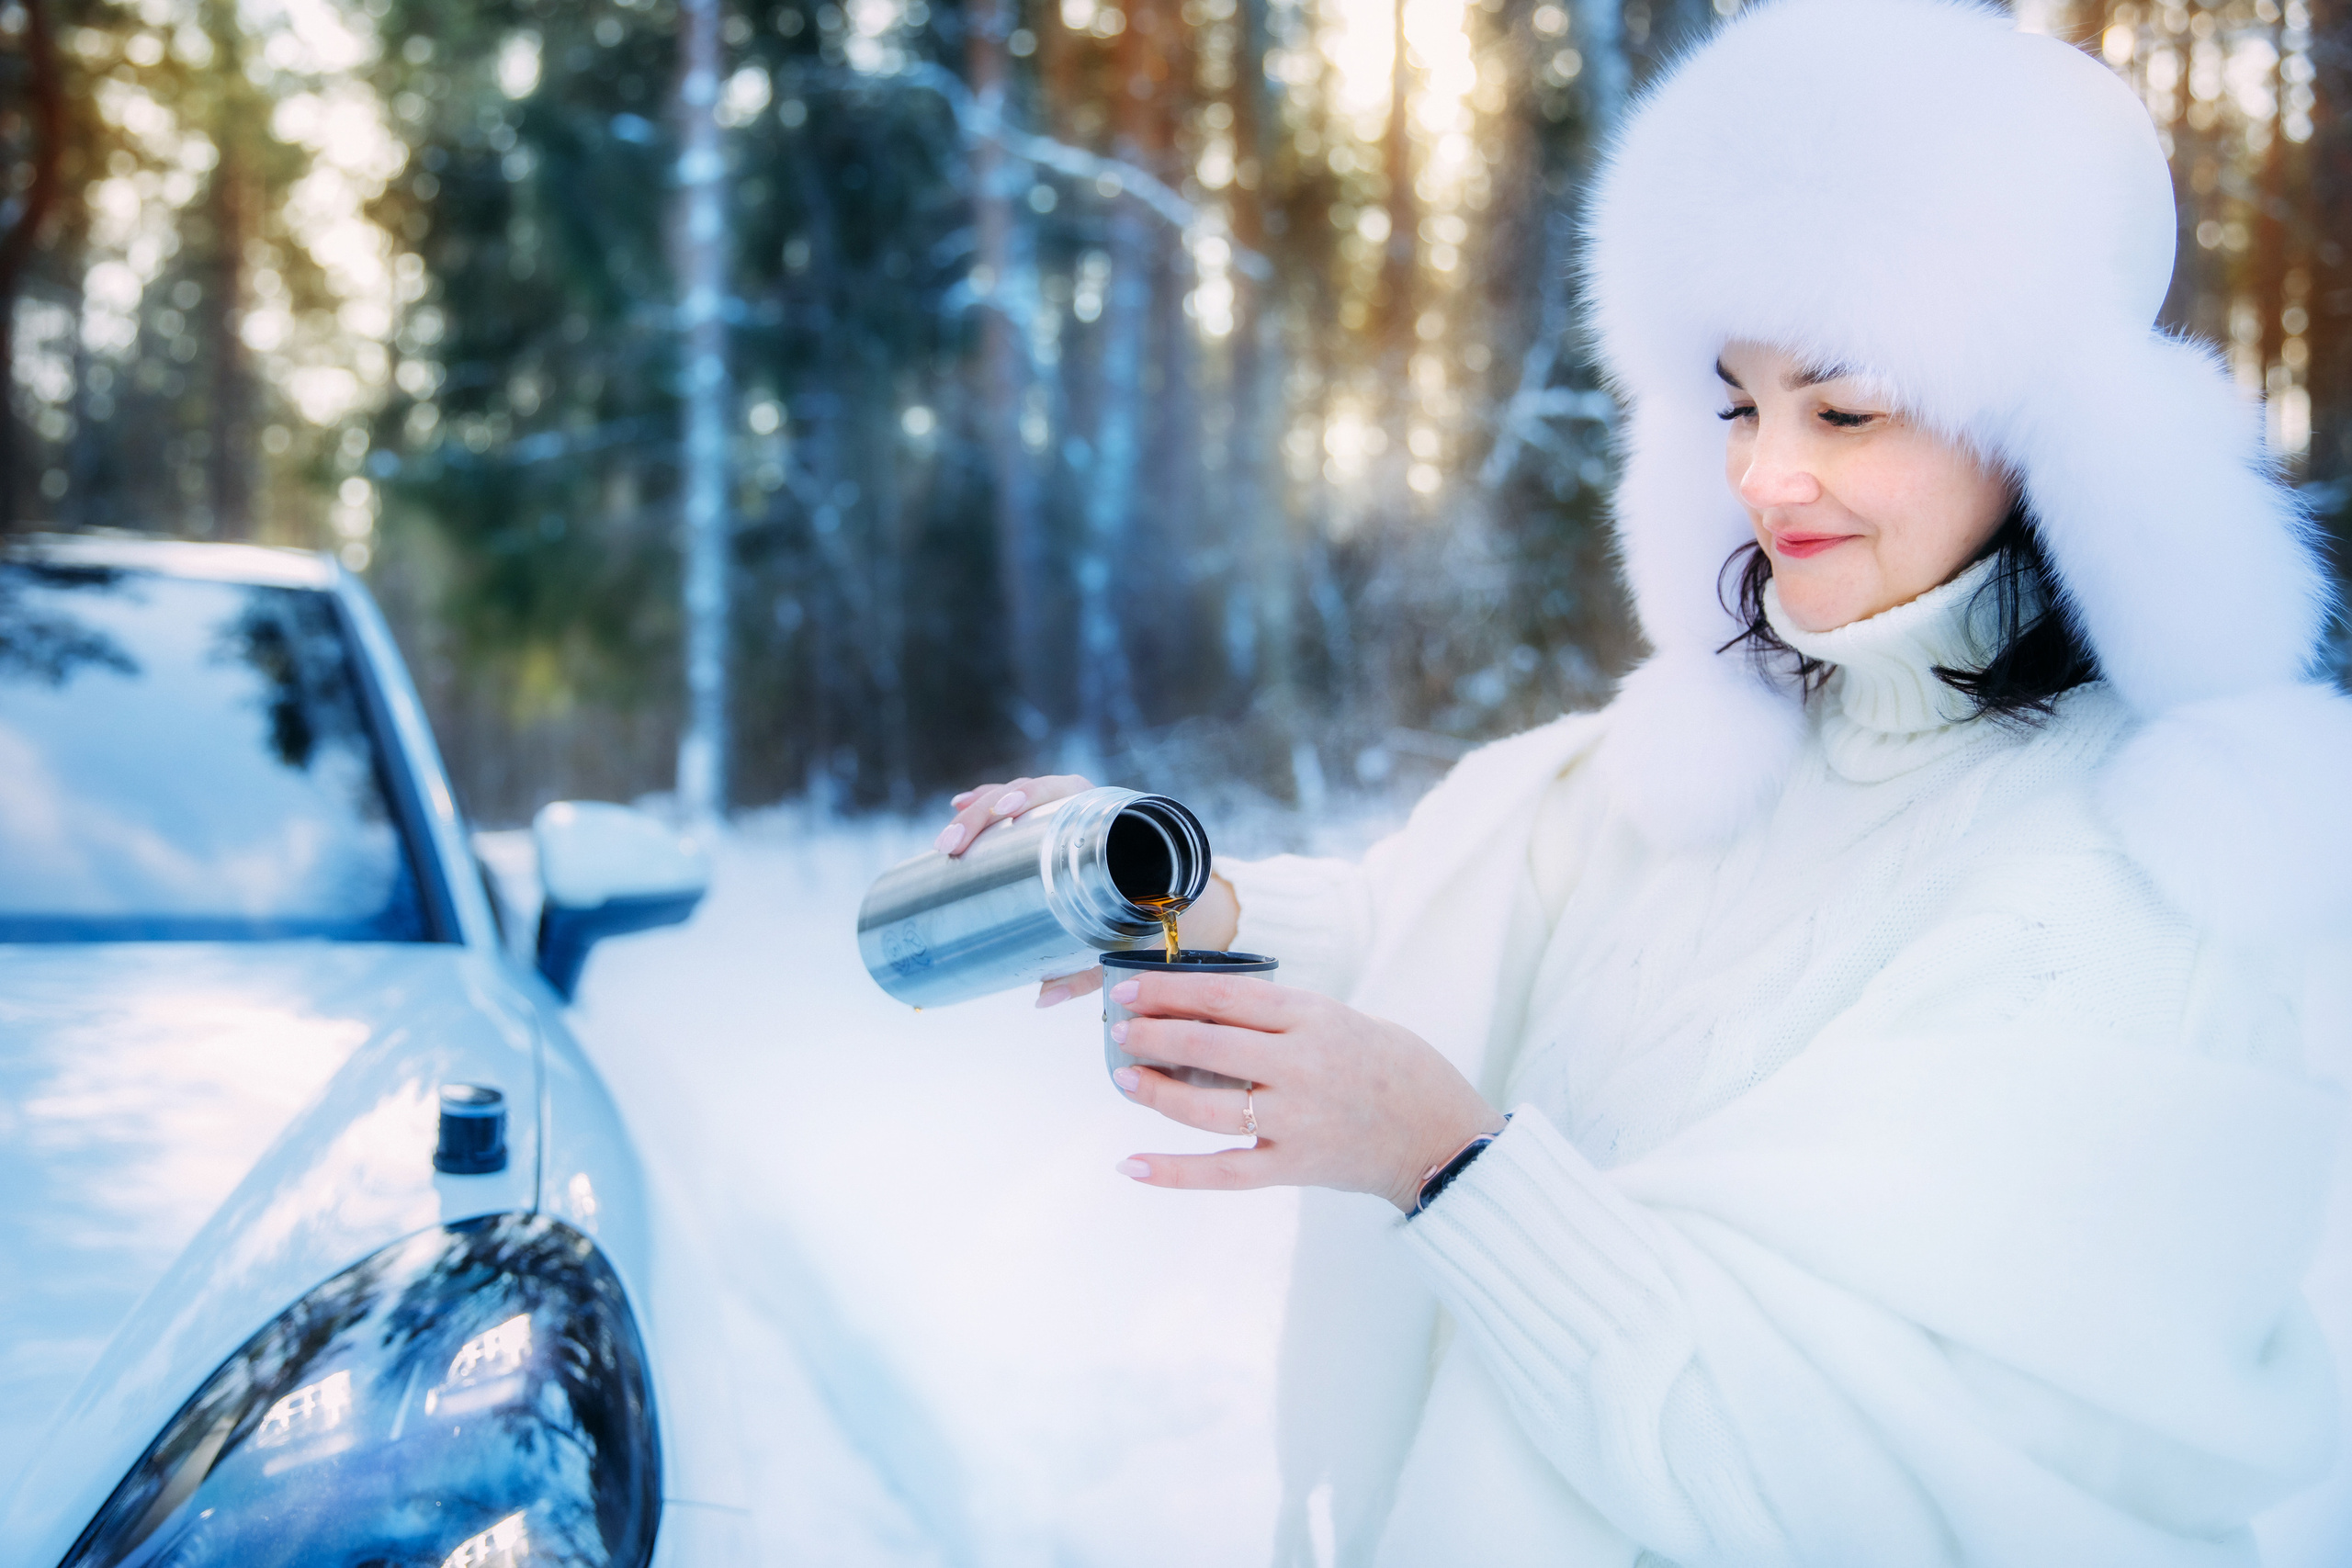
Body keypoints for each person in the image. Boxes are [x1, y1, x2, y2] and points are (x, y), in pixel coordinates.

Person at [938, 0, 2352, 1561]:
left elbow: (1859, 1492)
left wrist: (1445, 1164)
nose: (1763, 473)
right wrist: (1176, 900)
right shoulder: (1719, 754)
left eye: (1845, 407)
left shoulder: (2136, 910)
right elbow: (1448, 931)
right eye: (1737, 402)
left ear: (2053, 438)